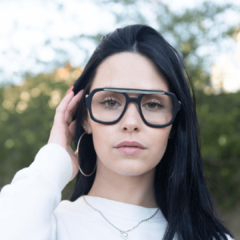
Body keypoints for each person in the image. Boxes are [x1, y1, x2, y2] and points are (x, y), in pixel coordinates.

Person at [0, 24, 234, 240]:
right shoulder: (46, 225)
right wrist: (53, 159)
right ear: (84, 117)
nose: (130, 122)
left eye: (153, 104)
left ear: (173, 121)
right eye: (111, 102)